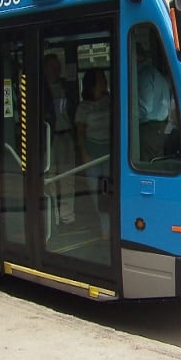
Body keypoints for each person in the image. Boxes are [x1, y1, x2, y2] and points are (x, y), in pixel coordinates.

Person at [75, 68, 110, 239]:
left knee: (108, 191)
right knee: (96, 193)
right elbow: (80, 132)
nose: (104, 82)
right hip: (92, 154)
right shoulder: (84, 106)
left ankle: (108, 226)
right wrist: (84, 153)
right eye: (100, 79)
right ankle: (104, 225)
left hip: (109, 154)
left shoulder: (110, 100)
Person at [44, 53, 77, 230]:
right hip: (51, 137)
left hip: (67, 135)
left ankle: (67, 217)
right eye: (52, 67)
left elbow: (73, 107)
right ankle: (54, 217)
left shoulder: (66, 86)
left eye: (57, 67)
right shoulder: (41, 87)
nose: (56, 70)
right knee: (50, 178)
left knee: (68, 177)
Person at [136, 43, 171, 161]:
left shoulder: (143, 75)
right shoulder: (155, 73)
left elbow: (144, 109)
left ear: (137, 56)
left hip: (148, 129)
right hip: (160, 128)